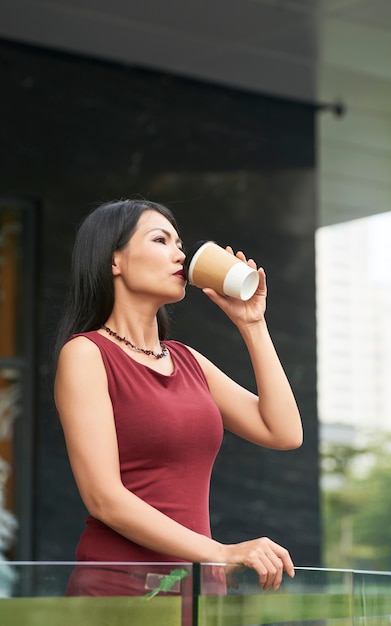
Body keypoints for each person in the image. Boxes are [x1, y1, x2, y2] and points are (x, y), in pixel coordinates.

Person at [53, 198, 303, 599]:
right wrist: (220, 552)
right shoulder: (86, 354)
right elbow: (104, 498)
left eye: (179, 243)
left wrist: (252, 324)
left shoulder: (188, 361)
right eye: (161, 240)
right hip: (119, 590)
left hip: (198, 588)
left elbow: (285, 432)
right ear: (114, 261)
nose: (180, 254)